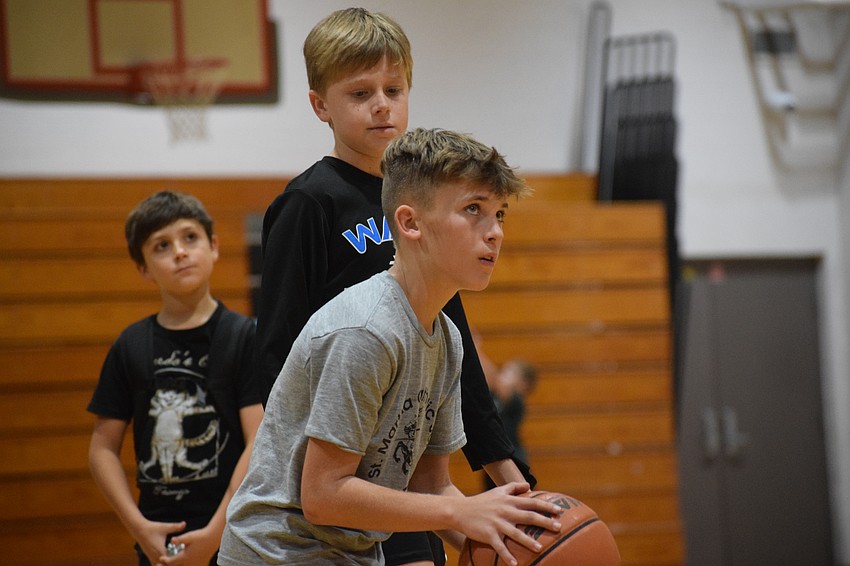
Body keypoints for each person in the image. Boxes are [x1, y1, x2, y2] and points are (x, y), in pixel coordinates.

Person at [253, 9, 534, 564]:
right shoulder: (309, 204)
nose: (382, 104)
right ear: (320, 106)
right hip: (335, 465)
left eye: (394, 88)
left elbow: (456, 356)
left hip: (401, 457)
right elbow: (278, 354)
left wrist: (512, 477)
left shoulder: (434, 199)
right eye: (360, 92)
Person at [219, 127, 562, 566]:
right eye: (473, 209)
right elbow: (323, 496)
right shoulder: (365, 330)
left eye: (500, 214)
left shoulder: (447, 340)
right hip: (279, 553)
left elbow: (430, 488)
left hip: (352, 552)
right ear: (410, 222)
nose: (494, 232)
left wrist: (515, 549)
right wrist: (464, 509)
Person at [87, 191, 264, 566]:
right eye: (161, 246)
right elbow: (102, 449)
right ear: (144, 268)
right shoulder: (130, 344)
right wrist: (138, 527)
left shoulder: (244, 337)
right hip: (157, 535)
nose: (180, 252)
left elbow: (258, 442)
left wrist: (216, 533)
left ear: (214, 246)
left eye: (190, 237)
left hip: (234, 533)